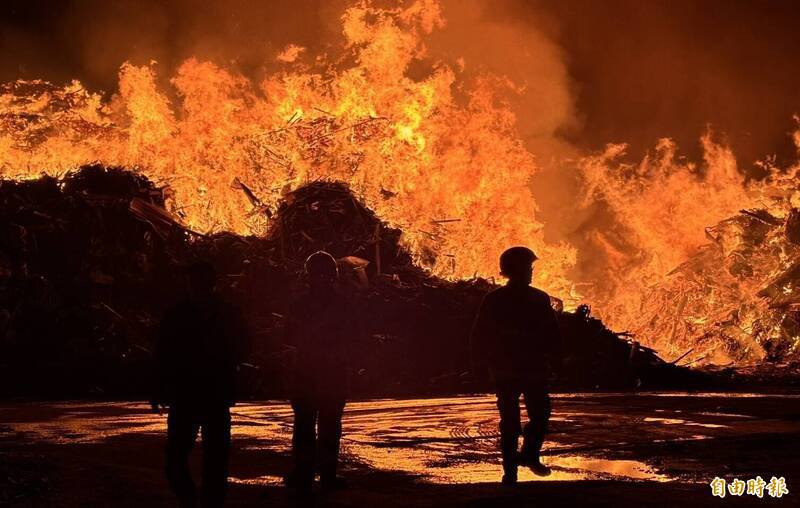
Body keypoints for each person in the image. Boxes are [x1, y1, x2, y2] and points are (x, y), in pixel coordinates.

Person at [151, 261, 248, 507]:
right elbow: (163, 353)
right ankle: (198, 501)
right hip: (199, 394)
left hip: (198, 394)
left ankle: (198, 501)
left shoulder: (182, 314)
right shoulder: (219, 314)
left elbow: (163, 354)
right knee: (198, 460)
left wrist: (159, 387)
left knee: (196, 460)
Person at [470, 246, 563, 485]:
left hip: (514, 369)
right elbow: (552, 334)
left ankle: (519, 463)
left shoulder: (496, 299)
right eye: (528, 268)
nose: (531, 272)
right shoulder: (534, 298)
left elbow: (479, 336)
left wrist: (483, 363)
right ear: (517, 270)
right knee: (533, 417)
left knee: (516, 420)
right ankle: (520, 462)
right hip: (524, 368)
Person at [284, 251, 355, 492]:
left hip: (309, 371)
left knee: (306, 425)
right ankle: (326, 475)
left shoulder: (300, 305)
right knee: (329, 426)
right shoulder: (343, 305)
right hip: (330, 373)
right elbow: (354, 338)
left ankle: (304, 474)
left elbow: (288, 336)